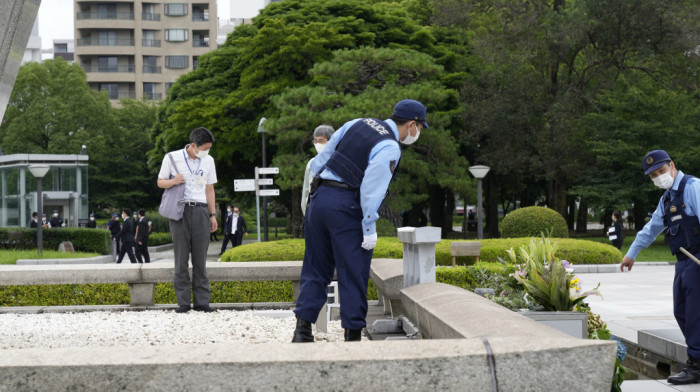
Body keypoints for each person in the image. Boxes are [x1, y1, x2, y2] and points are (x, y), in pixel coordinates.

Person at [292, 99, 428, 343]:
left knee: (315, 267)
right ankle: (352, 337)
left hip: (320, 199)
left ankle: (302, 332)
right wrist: (369, 226)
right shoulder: (389, 147)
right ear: (411, 124)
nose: (417, 133)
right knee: (352, 272)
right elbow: (370, 190)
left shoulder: (357, 122)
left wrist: (316, 196)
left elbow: (320, 161)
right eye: (419, 128)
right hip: (347, 207)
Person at [620, 150, 700, 385]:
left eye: (661, 171)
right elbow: (652, 227)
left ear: (672, 166)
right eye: (653, 174)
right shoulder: (666, 198)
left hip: (697, 260)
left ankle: (696, 364)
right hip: (683, 261)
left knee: (696, 313)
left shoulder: (692, 187)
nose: (658, 176)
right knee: (682, 311)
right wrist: (631, 253)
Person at [157, 127, 218, 313]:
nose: (207, 151)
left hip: (200, 210)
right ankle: (183, 302)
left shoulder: (209, 161)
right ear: (193, 145)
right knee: (181, 258)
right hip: (180, 210)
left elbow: (210, 189)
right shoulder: (171, 157)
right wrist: (174, 181)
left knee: (201, 258)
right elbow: (160, 182)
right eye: (205, 147)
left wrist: (212, 214)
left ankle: (202, 302)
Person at [301, 125, 335, 215]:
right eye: (315, 141)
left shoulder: (338, 161)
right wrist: (306, 214)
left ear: (331, 141)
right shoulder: (312, 163)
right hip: (314, 211)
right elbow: (306, 190)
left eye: (321, 141)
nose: (317, 144)